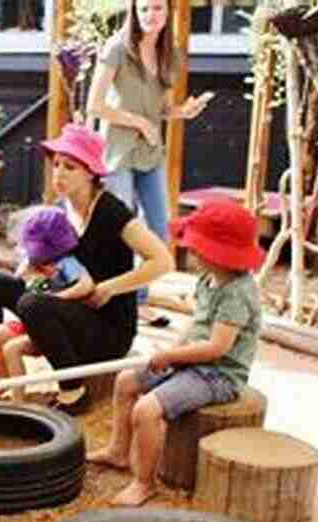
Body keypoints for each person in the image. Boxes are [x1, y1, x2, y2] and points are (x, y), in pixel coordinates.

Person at [0, 124, 173, 410]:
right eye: (56, 164)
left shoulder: (111, 211)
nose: (58, 173)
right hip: (69, 303)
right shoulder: (63, 208)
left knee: (33, 304)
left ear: (91, 173)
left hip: (106, 326)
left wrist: (110, 287)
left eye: (69, 167)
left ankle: (73, 392)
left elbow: (162, 261)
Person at [89, 199, 263, 506]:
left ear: (223, 254)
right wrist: (174, 349)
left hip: (217, 374)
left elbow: (217, 348)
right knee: (126, 382)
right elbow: (197, 326)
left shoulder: (236, 292)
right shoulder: (209, 279)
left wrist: (172, 358)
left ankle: (144, 483)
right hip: (190, 358)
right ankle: (119, 451)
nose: (192, 252)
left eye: (199, 248)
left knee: (146, 410)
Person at [86, 0, 214, 314]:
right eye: (143, 9)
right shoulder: (116, 48)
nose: (149, 15)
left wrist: (183, 111)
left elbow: (163, 109)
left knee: (157, 229)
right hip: (117, 152)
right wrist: (140, 122)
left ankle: (136, 297)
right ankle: (122, 303)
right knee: (124, 230)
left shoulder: (169, 54)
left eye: (156, 8)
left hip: (150, 153)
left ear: (167, 12)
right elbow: (94, 105)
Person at [0, 205, 93, 401]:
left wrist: (56, 298)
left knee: (11, 348)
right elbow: (22, 278)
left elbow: (87, 285)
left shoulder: (66, 263)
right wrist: (33, 270)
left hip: (49, 325)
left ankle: (18, 400)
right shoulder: (35, 261)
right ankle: (4, 382)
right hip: (30, 319)